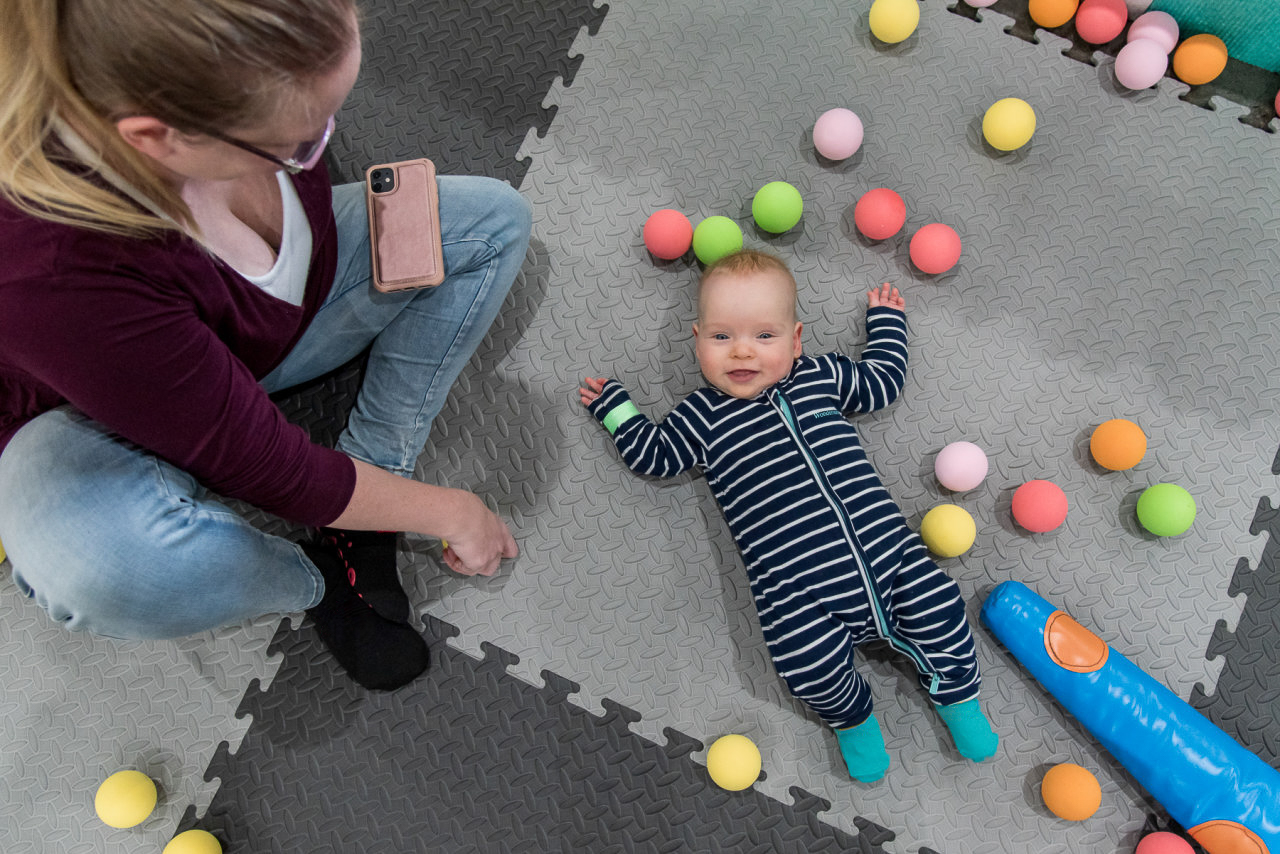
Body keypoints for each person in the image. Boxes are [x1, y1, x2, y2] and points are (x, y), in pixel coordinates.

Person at [0, 0, 531, 691]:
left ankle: (364, 507)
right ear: (158, 138)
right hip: (74, 413)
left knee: (493, 224)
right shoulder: (56, 271)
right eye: (303, 142)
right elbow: (268, 471)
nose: (317, 149)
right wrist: (454, 511)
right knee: (99, 567)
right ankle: (316, 580)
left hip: (244, 324)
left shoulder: (215, 75)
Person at [579, 249, 997, 781]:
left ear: (797, 340)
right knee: (803, 664)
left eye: (765, 336)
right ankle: (853, 722)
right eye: (722, 337)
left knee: (941, 609)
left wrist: (887, 324)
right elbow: (655, 455)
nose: (743, 352)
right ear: (697, 340)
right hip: (796, 591)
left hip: (892, 560)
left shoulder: (818, 376)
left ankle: (958, 698)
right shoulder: (702, 417)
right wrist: (618, 410)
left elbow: (880, 381)